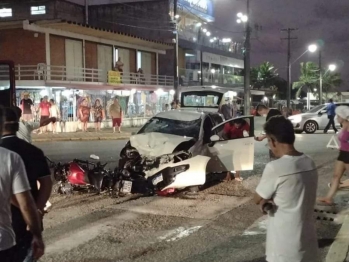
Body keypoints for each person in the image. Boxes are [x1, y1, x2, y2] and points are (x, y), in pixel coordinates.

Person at [254, 116, 318, 262]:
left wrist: (266, 201)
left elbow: (257, 198)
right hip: (308, 245)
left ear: (273, 140)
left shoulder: (275, 168)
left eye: (268, 142)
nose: (269, 146)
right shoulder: (309, 162)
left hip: (284, 250)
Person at [1, 107, 52, 262]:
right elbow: (46, 183)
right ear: (18, 126)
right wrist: (37, 210)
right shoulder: (33, 152)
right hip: (26, 224)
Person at [317, 106, 349, 205]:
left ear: (343, 116)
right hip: (342, 154)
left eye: (338, 115)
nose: (336, 117)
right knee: (336, 176)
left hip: (348, 154)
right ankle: (328, 198)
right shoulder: (343, 125)